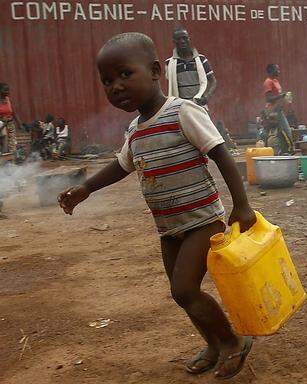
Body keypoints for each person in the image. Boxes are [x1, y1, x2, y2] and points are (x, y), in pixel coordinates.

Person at [58, 32, 256, 378]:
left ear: (154, 71)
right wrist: (85, 188)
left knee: (185, 289)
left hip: (202, 220)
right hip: (169, 228)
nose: (115, 86)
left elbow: (221, 154)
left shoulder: (183, 112)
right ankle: (212, 344)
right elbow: (122, 165)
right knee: (181, 294)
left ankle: (232, 341)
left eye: (124, 74)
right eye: (107, 80)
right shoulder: (135, 130)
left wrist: (242, 205)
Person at [262, 63, 294, 155]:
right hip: (273, 111)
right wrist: (281, 96)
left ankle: (283, 152)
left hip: (278, 109)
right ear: (271, 71)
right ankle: (289, 150)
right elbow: (268, 98)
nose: (279, 71)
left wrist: (284, 98)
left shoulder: (275, 81)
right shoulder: (268, 82)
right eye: (277, 69)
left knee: (280, 132)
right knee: (286, 129)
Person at [0, 83, 19, 156]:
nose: (8, 92)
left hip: (10, 123)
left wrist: (19, 124)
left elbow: (13, 111)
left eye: (8, 90)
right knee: (3, 138)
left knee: (13, 143)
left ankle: (12, 162)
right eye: (5, 90)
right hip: (1, 124)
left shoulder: (8, 99)